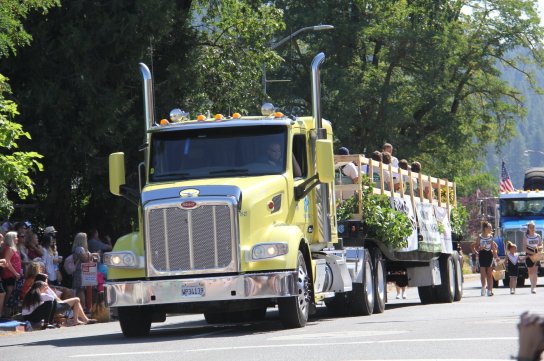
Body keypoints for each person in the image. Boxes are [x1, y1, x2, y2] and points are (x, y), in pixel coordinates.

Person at [471, 221, 499, 296]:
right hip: (482, 255)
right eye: (489, 227)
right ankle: (483, 287)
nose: (491, 229)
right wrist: (478, 249)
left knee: (489, 274)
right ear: (485, 228)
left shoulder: (491, 237)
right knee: (483, 274)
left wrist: (496, 257)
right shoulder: (480, 237)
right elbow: (475, 246)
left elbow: (493, 247)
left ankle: (489, 290)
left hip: (489, 255)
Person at [1, 231, 23, 316]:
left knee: (12, 293)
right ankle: (3, 310)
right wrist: (15, 273)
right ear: (11, 239)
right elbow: (7, 262)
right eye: (15, 237)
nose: (17, 239)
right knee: (9, 292)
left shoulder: (14, 249)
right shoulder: (9, 249)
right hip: (9, 274)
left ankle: (7, 311)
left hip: (14, 274)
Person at [523, 220, 542, 294]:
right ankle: (532, 285)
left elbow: (540, 245)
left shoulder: (538, 236)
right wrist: (532, 253)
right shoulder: (526, 237)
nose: (532, 228)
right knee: (530, 271)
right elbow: (524, 248)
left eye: (533, 227)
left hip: (536, 256)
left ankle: (534, 287)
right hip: (529, 255)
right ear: (528, 228)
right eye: (531, 227)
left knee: (535, 271)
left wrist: (538, 251)